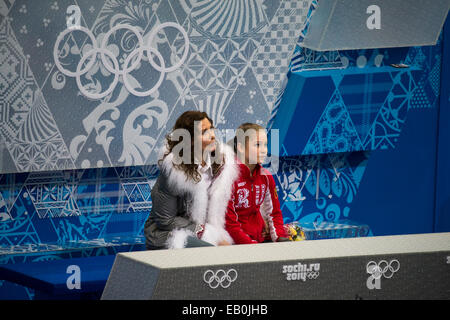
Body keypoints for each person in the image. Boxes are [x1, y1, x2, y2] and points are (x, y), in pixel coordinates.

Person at [144, 111, 239, 249]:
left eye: (211, 128)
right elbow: (165, 221)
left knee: (232, 250)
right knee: (213, 252)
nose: (212, 135)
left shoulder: (221, 163)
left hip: (205, 229)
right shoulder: (174, 170)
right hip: (169, 234)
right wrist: (205, 233)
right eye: (204, 132)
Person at [225, 123, 289, 244]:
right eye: (258, 145)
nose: (264, 150)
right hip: (235, 244)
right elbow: (230, 225)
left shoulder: (266, 177)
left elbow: (274, 213)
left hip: (259, 240)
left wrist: (279, 238)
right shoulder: (228, 177)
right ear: (241, 147)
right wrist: (253, 247)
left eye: (265, 145)